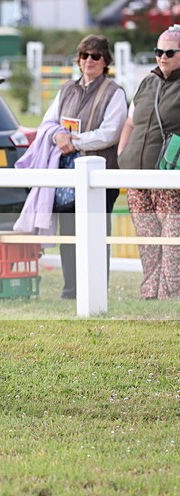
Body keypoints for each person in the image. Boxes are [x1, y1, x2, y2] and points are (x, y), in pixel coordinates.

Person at [43, 34, 127, 300]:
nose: (89, 60)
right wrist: (58, 136)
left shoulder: (115, 92)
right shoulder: (66, 88)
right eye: (84, 55)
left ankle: (96, 290)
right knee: (69, 234)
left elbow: (110, 133)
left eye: (95, 56)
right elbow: (48, 122)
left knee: (96, 234)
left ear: (105, 61)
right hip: (66, 174)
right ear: (78, 60)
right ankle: (70, 289)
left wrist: (74, 141)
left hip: (101, 176)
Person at [118, 25, 180, 299]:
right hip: (137, 176)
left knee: (172, 240)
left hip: (169, 178)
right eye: (159, 51)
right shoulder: (147, 83)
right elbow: (130, 123)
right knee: (147, 238)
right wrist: (123, 154)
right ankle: (150, 292)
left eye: (170, 52)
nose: (162, 56)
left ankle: (170, 294)